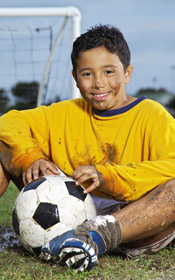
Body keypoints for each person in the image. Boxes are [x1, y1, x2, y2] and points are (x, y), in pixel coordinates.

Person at [0, 24, 175, 272]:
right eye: (87, 74)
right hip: (66, 213)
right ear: (75, 77)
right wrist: (31, 157)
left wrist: (108, 177)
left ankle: (93, 237)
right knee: (5, 145)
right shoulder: (64, 112)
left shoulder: (152, 115)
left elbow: (171, 165)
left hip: (132, 220)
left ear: (127, 73)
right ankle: (67, 239)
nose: (99, 83)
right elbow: (8, 122)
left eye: (109, 71)